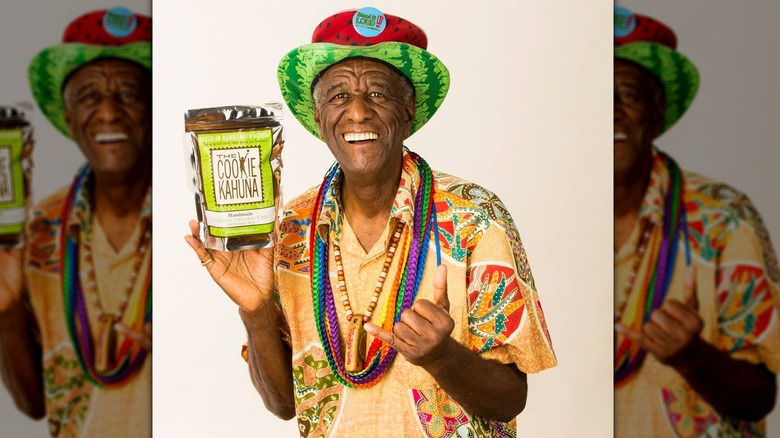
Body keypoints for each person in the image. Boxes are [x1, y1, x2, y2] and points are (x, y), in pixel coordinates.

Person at [186, 7, 556, 437]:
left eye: (378, 94)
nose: (358, 113)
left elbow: (511, 399)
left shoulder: (475, 218)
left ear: (408, 110)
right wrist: (254, 312)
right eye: (339, 96)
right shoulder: (288, 231)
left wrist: (442, 357)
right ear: (319, 116)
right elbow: (286, 405)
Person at [613, 8, 780, 436]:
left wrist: (692, 355)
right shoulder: (542, 216)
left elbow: (762, 395)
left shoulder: (724, 218)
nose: (610, 113)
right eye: (595, 97)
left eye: (627, 95)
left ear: (656, 111)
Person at [0, 7, 152, 437]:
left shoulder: (194, 227)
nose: (108, 113)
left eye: (128, 93)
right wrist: (8, 310)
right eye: (89, 97)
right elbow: (33, 404)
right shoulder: (38, 228)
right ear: (68, 119)